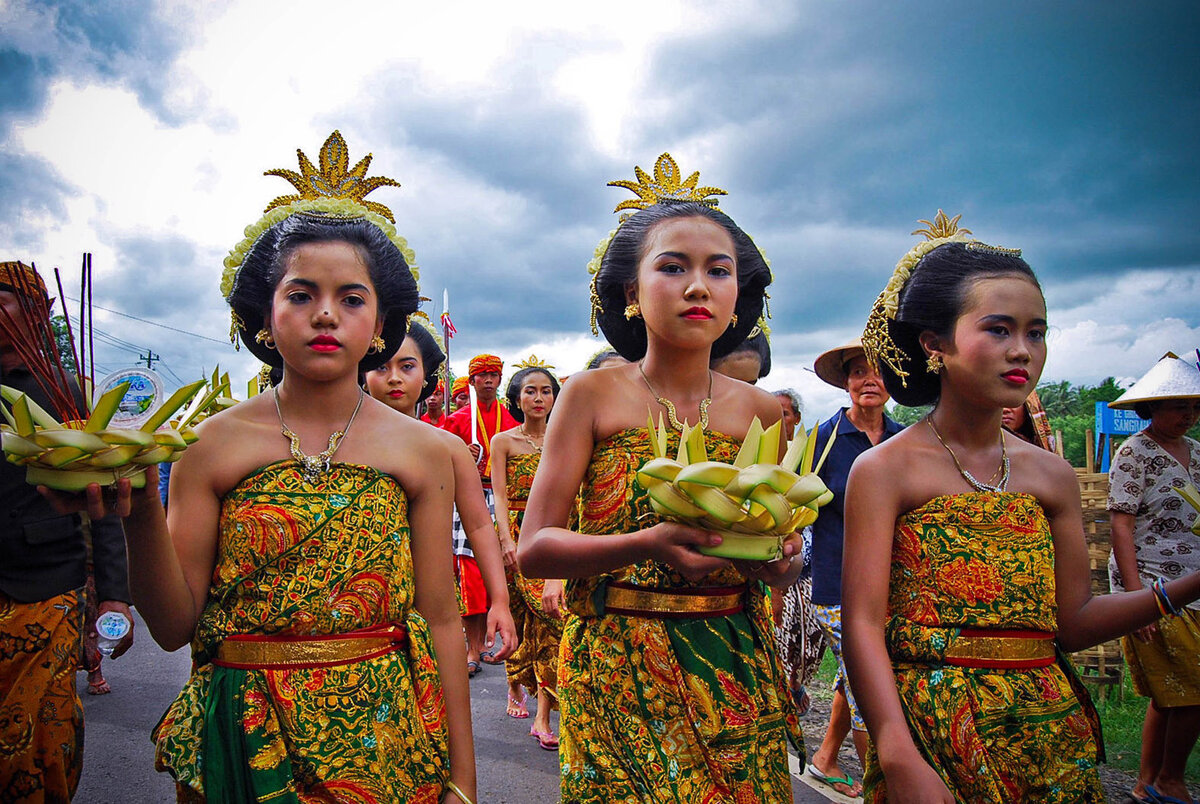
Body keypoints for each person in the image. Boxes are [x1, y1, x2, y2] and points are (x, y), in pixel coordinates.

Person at [51, 133, 476, 803]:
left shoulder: (420, 450)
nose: (327, 313)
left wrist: (463, 781)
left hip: (383, 741)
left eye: (352, 298)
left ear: (382, 324)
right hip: (242, 741)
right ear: (264, 314)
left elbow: (441, 619)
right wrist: (134, 517)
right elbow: (172, 627)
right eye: (301, 294)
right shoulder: (209, 445)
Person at [842, 211, 1200, 803]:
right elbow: (862, 623)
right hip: (935, 729)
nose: (1022, 352)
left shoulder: (1051, 475)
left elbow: (1074, 621)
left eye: (1037, 333)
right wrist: (897, 750)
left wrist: (1184, 588)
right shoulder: (885, 470)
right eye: (999, 330)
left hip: (1049, 729)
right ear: (934, 343)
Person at [519, 153, 804, 802]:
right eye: (672, 267)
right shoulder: (590, 395)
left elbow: (780, 563)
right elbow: (535, 551)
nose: (697, 286)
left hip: (732, 660)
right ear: (630, 292)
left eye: (717, 270)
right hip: (615, 661)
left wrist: (783, 559)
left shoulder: (763, 412)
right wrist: (645, 544)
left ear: (737, 301)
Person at [0, 259, 133, 802]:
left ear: (36, 310)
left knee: (38, 734)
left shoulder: (69, 394)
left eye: (1, 300)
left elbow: (104, 504)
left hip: (45, 584)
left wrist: (116, 596)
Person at [364, 320, 518, 677]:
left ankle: (473, 648)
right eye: (380, 366)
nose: (394, 378)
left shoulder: (450, 444)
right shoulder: (340, 442)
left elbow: (480, 525)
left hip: (435, 605)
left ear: (426, 374)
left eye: (407, 366)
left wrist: (500, 599)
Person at [805, 337, 904, 797]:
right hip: (838, 585)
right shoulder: (822, 441)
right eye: (859, 371)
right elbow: (800, 508)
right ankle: (880, 789)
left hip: (894, 585)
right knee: (871, 689)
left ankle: (824, 758)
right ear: (846, 382)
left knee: (855, 673)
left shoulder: (905, 439)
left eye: (880, 370)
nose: (870, 379)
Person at [1106, 353, 1200, 804]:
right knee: (1192, 687)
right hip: (1153, 583)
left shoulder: (1197, 453)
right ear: (1153, 408)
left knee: (1174, 690)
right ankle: (1171, 778)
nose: (1188, 415)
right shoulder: (1134, 453)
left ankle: (1148, 782)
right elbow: (1121, 524)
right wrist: (1135, 597)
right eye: (1179, 405)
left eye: (1194, 407)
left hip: (1195, 584)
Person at [490, 358, 563, 749]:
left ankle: (543, 716)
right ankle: (515, 683)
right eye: (530, 391)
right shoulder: (503, 441)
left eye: (546, 390)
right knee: (518, 619)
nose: (539, 397)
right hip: (515, 533)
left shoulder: (565, 437)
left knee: (553, 622)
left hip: (549, 535)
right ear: (516, 398)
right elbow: (498, 496)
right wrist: (505, 540)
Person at [443, 354, 519, 672]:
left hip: (503, 500)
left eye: (493, 375)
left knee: (511, 572)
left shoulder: (513, 422)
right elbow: (440, 463)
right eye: (482, 375)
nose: (488, 380)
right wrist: (461, 451)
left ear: (500, 380)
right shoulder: (457, 421)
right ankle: (472, 651)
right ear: (472, 381)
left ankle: (515, 651)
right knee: (471, 577)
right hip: (468, 499)